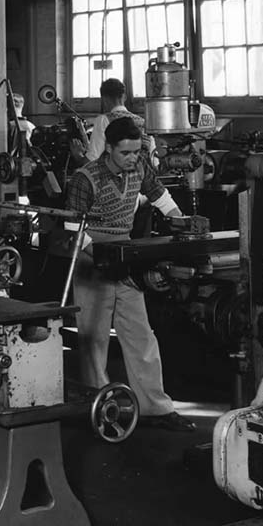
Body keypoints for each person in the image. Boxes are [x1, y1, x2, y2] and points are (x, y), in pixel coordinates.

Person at [65, 115, 196, 433]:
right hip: (92, 258)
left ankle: (156, 407)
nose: (132, 158)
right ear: (108, 148)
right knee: (94, 340)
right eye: (125, 152)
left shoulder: (139, 166)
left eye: (136, 151)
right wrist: (103, 258)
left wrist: (183, 223)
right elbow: (72, 229)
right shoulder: (85, 178)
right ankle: (100, 405)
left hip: (126, 256)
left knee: (141, 335)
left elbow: (160, 195)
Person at [83, 77, 153, 164]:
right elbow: (154, 160)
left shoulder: (103, 120)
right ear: (124, 97)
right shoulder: (144, 122)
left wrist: (78, 155)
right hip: (143, 171)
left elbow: (93, 159)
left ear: (104, 99)